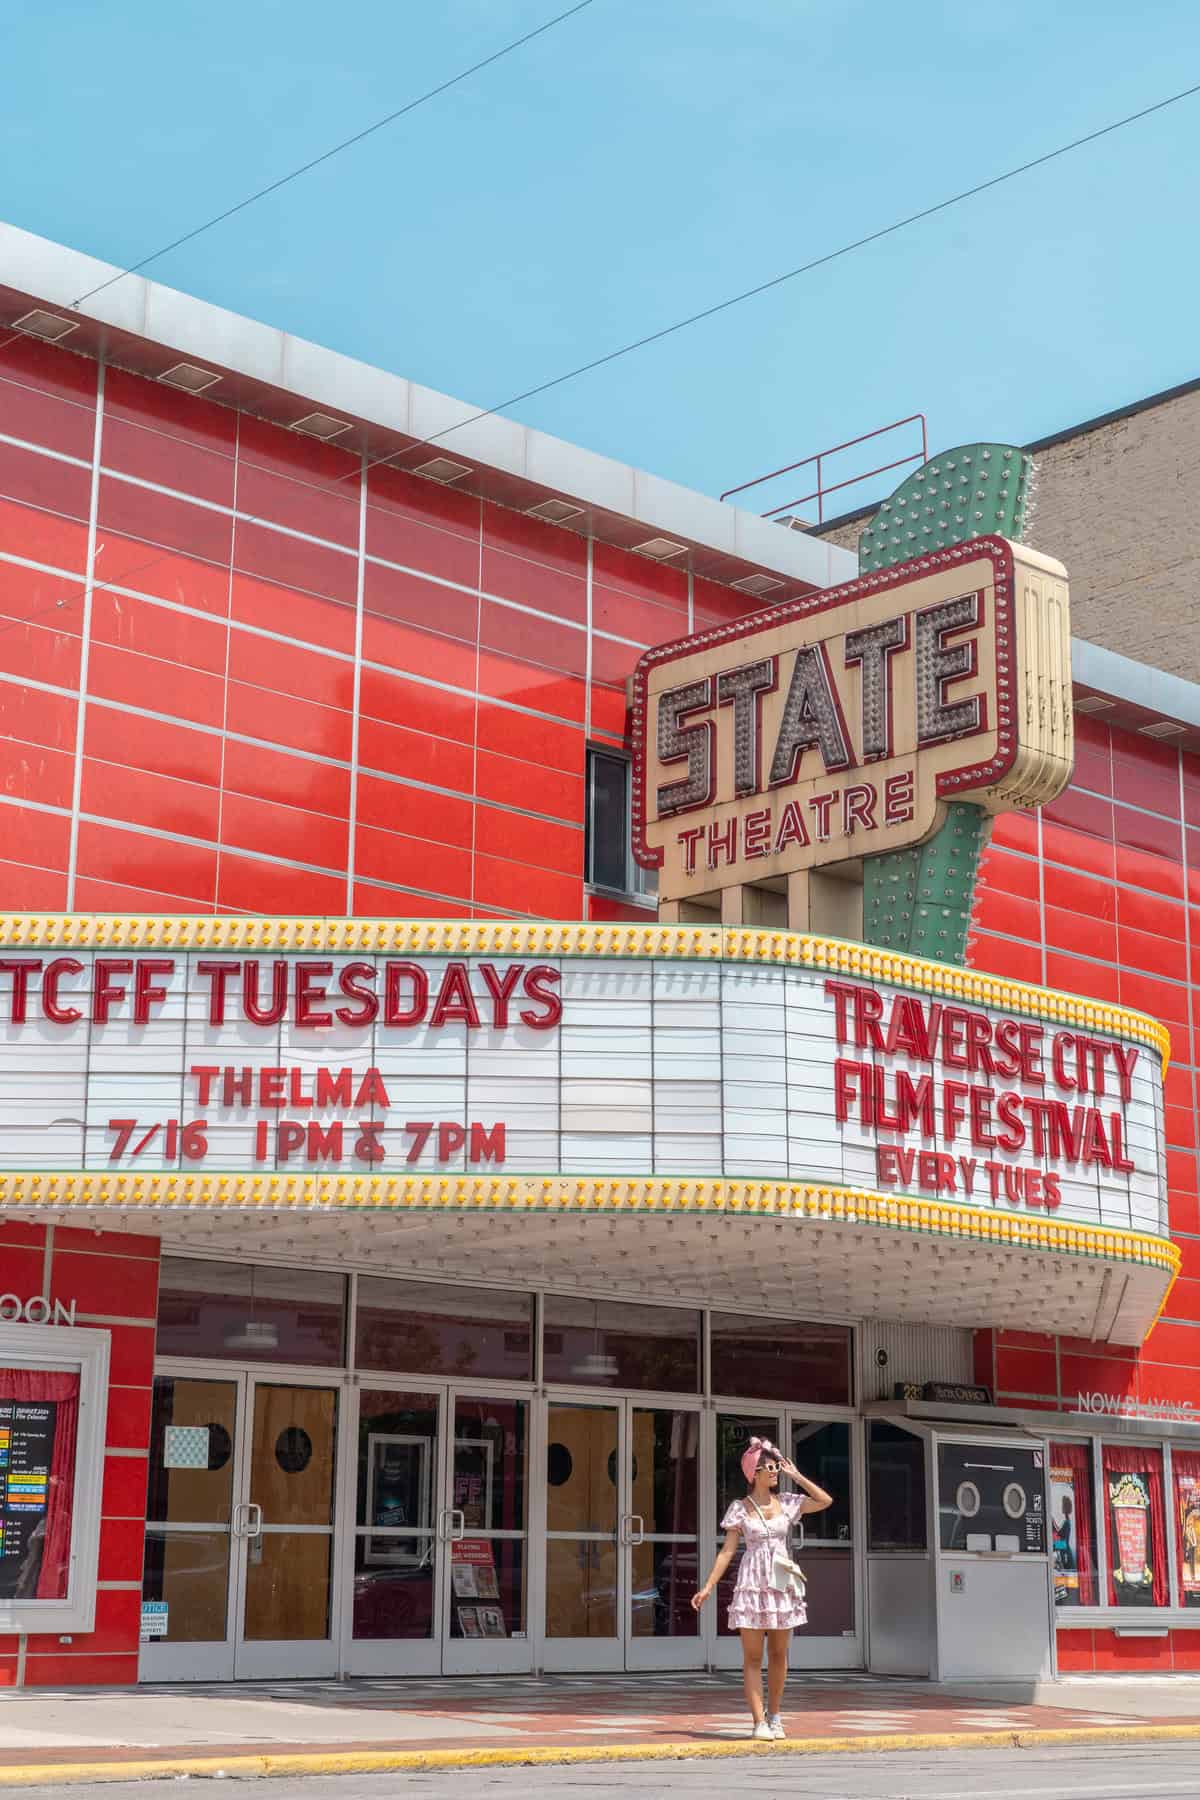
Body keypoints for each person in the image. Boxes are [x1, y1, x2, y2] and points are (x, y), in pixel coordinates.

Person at [691, 1437, 833, 1741]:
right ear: (754, 1472)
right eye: (770, 1467)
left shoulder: (787, 1501)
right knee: (753, 1657)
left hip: (781, 1584)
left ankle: (776, 1715)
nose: (775, 1472)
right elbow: (727, 1552)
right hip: (753, 1583)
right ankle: (758, 1721)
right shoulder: (740, 1508)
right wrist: (707, 1587)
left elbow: (824, 1500)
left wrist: (796, 1477)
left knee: (779, 1653)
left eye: (777, 1467)